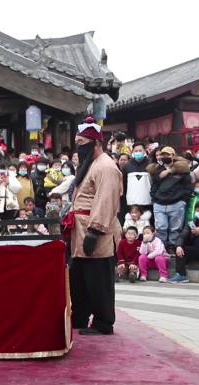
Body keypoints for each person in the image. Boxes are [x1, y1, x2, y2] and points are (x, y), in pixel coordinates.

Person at [69, 117, 122, 336]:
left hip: (96, 229)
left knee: (98, 279)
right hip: (79, 229)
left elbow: (106, 200)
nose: (79, 149)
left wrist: (95, 230)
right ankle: (80, 316)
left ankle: (103, 322)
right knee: (79, 279)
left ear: (96, 143)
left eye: (82, 144)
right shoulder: (89, 164)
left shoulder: (106, 167)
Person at [149, 146, 192, 254]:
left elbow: (188, 186)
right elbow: (154, 185)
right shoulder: (157, 169)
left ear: (173, 155)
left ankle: (173, 246)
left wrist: (183, 201)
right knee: (161, 227)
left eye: (167, 154)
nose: (165, 157)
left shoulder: (182, 169)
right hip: (159, 204)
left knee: (175, 228)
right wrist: (154, 198)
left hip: (176, 203)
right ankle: (161, 248)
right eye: (163, 155)